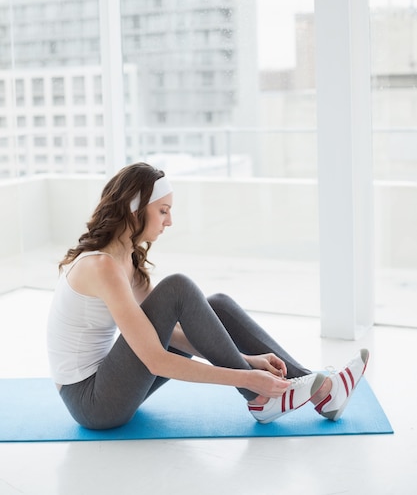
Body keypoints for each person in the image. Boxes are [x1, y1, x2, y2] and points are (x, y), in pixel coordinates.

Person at [47, 162, 369, 430]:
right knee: (178, 287)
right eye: (163, 211)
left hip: (111, 387)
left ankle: (321, 390)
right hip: (92, 402)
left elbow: (170, 335)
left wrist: (249, 362)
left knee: (216, 306)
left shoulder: (125, 259)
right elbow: (155, 358)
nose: (169, 221)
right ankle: (262, 397)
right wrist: (247, 377)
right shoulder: (102, 266)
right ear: (134, 210)